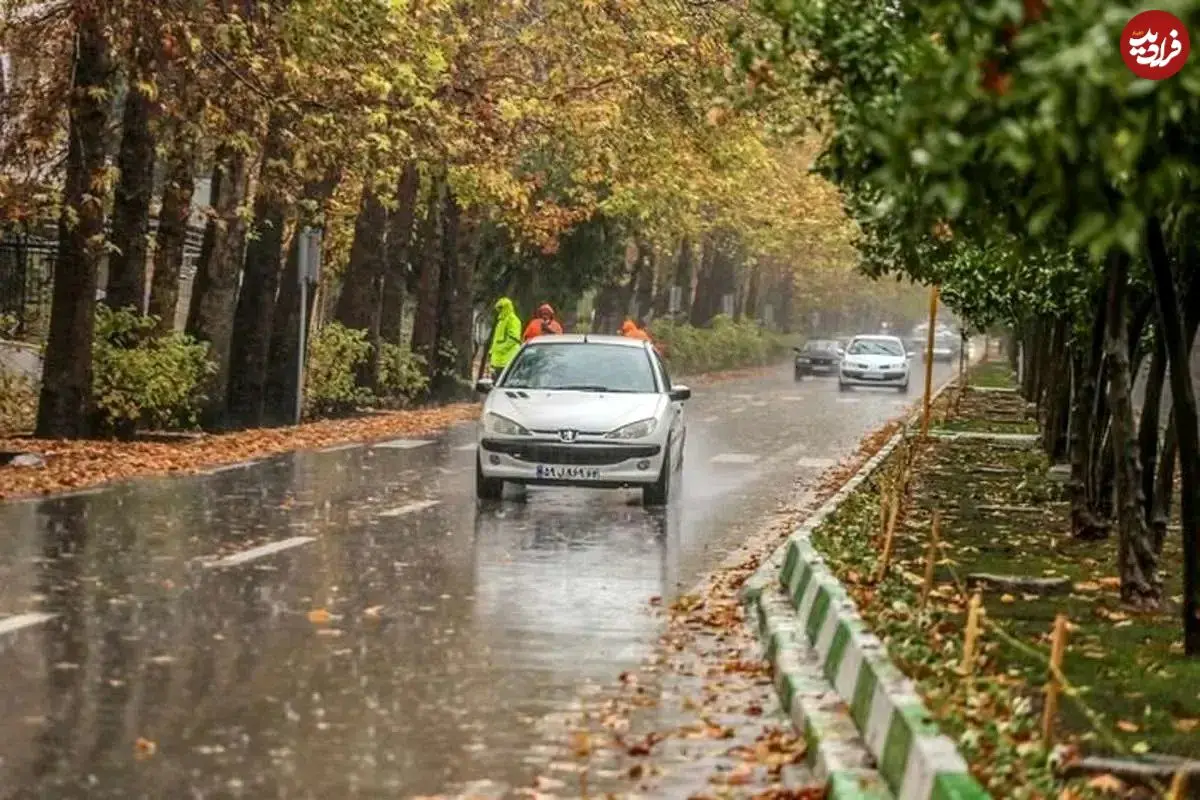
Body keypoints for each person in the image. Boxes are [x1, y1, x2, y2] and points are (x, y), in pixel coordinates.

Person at [488, 297, 522, 380]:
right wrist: (492, 351)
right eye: (498, 308)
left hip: (507, 359)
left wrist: (500, 349)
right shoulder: (501, 321)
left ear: (507, 307)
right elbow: (497, 339)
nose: (499, 310)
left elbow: (514, 339)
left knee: (503, 382)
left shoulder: (513, 319)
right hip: (498, 360)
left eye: (501, 307)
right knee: (495, 382)